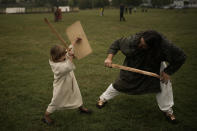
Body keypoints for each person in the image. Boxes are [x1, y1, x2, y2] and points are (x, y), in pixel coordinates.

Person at [96, 30, 186, 124]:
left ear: (153, 47)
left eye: (143, 45)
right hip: (135, 62)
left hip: (155, 65)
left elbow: (181, 57)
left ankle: (168, 111)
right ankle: (103, 99)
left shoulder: (165, 46)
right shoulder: (134, 40)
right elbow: (117, 43)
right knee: (121, 83)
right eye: (140, 42)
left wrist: (168, 72)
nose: (139, 45)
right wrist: (109, 58)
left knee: (164, 84)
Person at [42, 38, 92, 125]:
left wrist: (74, 42)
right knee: (56, 101)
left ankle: (81, 108)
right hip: (61, 86)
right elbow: (68, 67)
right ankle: (46, 116)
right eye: (63, 56)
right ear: (56, 57)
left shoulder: (61, 57)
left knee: (76, 93)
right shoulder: (56, 67)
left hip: (71, 81)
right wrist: (71, 56)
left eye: (64, 55)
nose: (65, 57)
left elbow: (68, 50)